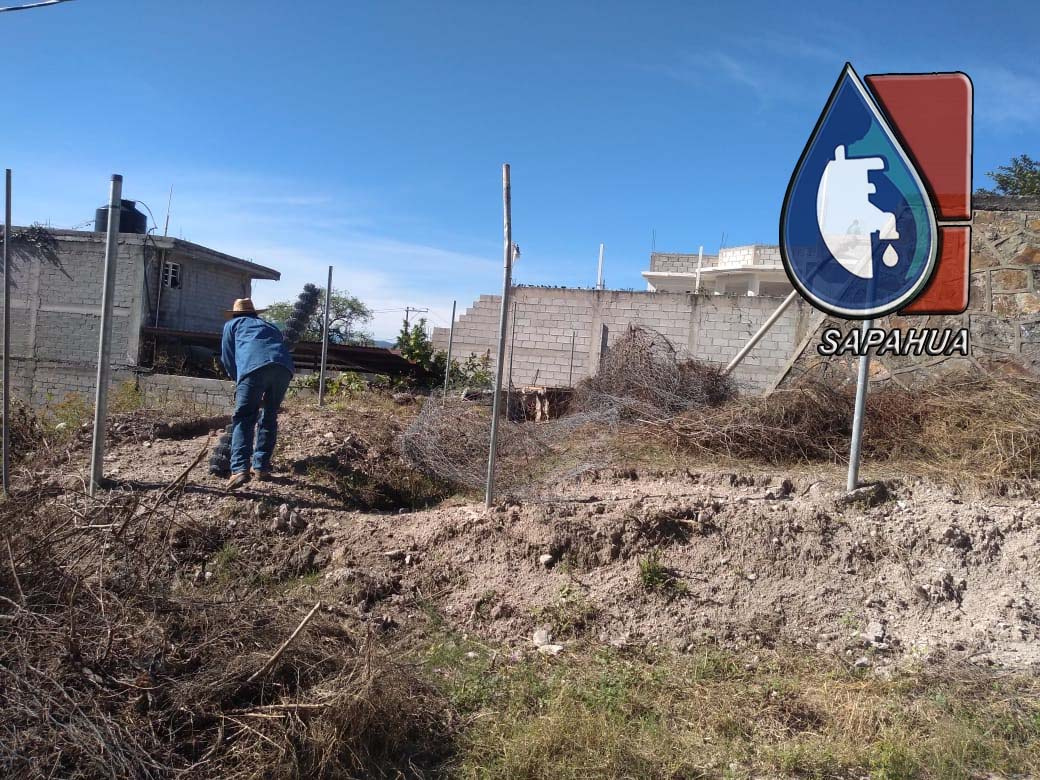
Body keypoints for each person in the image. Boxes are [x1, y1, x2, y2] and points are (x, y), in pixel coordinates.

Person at [220, 298, 295, 490]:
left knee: (244, 417)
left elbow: (228, 358)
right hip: (283, 368)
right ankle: (261, 467)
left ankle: (239, 469)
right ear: (255, 313)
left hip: (253, 369)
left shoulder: (232, 325)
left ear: (236, 313)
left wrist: (241, 382)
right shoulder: (269, 325)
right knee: (269, 416)